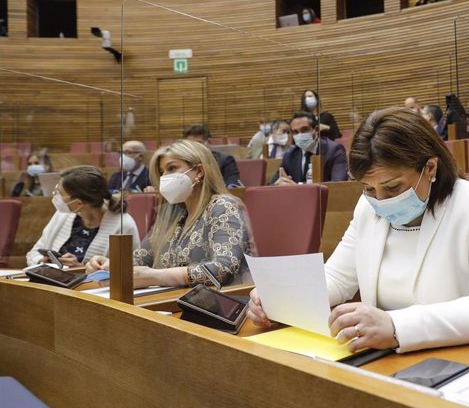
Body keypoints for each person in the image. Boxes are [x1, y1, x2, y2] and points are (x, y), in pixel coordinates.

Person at [250, 107, 469, 353]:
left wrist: (396, 326)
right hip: (386, 358)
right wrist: (279, 298)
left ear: (430, 167)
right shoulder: (368, 207)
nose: (380, 201)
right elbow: (337, 277)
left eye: (393, 187)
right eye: (369, 188)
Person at [86, 140, 255, 288]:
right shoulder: (172, 215)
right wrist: (108, 265)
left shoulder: (223, 206)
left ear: (199, 171)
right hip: (176, 301)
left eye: (172, 168)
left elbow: (223, 268)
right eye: (162, 172)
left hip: (222, 306)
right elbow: (139, 260)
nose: (164, 177)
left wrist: (154, 276)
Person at [26, 166, 140, 267]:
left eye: (59, 193)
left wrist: (80, 268)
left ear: (79, 203)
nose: (55, 196)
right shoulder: (62, 215)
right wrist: (42, 261)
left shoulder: (123, 225)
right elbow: (33, 254)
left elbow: (128, 270)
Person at [270, 112, 348, 185]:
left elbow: (338, 185)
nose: (300, 135)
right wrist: (277, 185)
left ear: (316, 130)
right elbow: (270, 186)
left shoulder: (334, 150)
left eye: (305, 130)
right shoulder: (289, 155)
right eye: (296, 132)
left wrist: (297, 188)